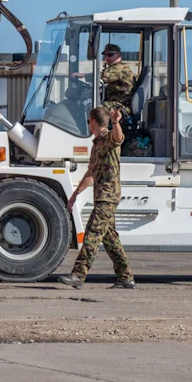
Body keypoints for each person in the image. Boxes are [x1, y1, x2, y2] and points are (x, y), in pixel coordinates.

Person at [59, 106, 136, 289]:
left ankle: (78, 275)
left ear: (93, 122)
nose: (88, 124)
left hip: (108, 196)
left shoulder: (108, 138)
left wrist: (116, 123)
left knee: (92, 233)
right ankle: (125, 278)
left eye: (88, 121)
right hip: (102, 196)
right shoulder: (96, 144)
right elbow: (91, 173)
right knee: (110, 238)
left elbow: (118, 138)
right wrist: (75, 194)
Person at [100, 44, 135, 115]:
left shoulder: (121, 68)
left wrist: (82, 75)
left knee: (96, 110)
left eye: (110, 55)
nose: (107, 58)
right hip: (113, 103)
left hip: (121, 106)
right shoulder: (112, 68)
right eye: (105, 56)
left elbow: (102, 77)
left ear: (118, 55)